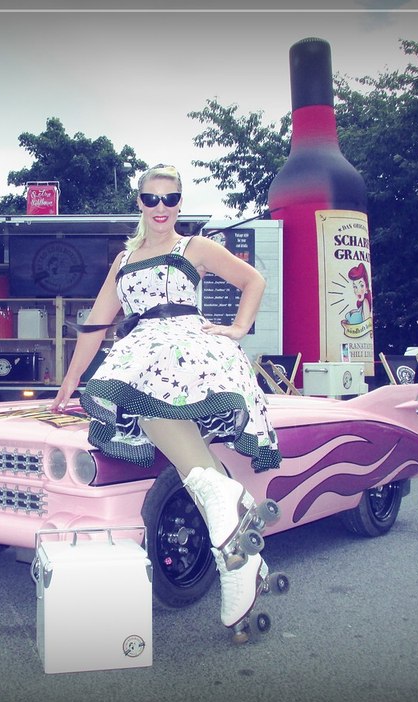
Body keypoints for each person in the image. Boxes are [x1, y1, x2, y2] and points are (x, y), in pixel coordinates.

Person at [50, 164, 280, 643]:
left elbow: (253, 281)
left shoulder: (192, 247)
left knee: (165, 425)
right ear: (139, 202)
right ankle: (241, 552)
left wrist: (238, 328)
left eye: (170, 199)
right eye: (151, 199)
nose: (161, 208)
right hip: (140, 355)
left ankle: (238, 553)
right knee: (183, 451)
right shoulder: (124, 258)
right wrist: (70, 382)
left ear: (180, 203)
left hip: (190, 352)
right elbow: (96, 324)